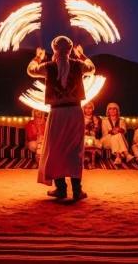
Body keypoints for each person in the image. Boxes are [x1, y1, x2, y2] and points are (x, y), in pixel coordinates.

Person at [27, 36, 95, 201]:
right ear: (70, 49)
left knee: (56, 150)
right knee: (75, 151)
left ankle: (61, 189)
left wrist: (38, 57)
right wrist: (82, 55)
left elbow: (30, 70)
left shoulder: (48, 67)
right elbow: (92, 68)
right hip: (74, 112)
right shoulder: (78, 65)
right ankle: (77, 191)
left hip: (57, 114)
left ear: (54, 50)